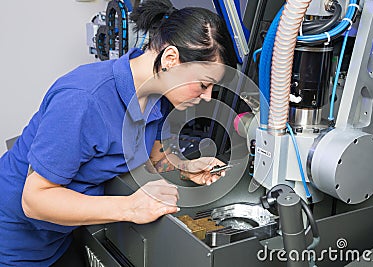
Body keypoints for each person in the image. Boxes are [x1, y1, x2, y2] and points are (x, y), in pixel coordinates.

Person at [0, 0, 237, 265]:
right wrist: (131, 208)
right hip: (15, 243)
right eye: (204, 84)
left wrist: (185, 166)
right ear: (171, 60)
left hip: (60, 236)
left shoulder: (158, 97)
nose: (207, 97)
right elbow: (35, 200)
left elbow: (150, 153)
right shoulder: (84, 99)